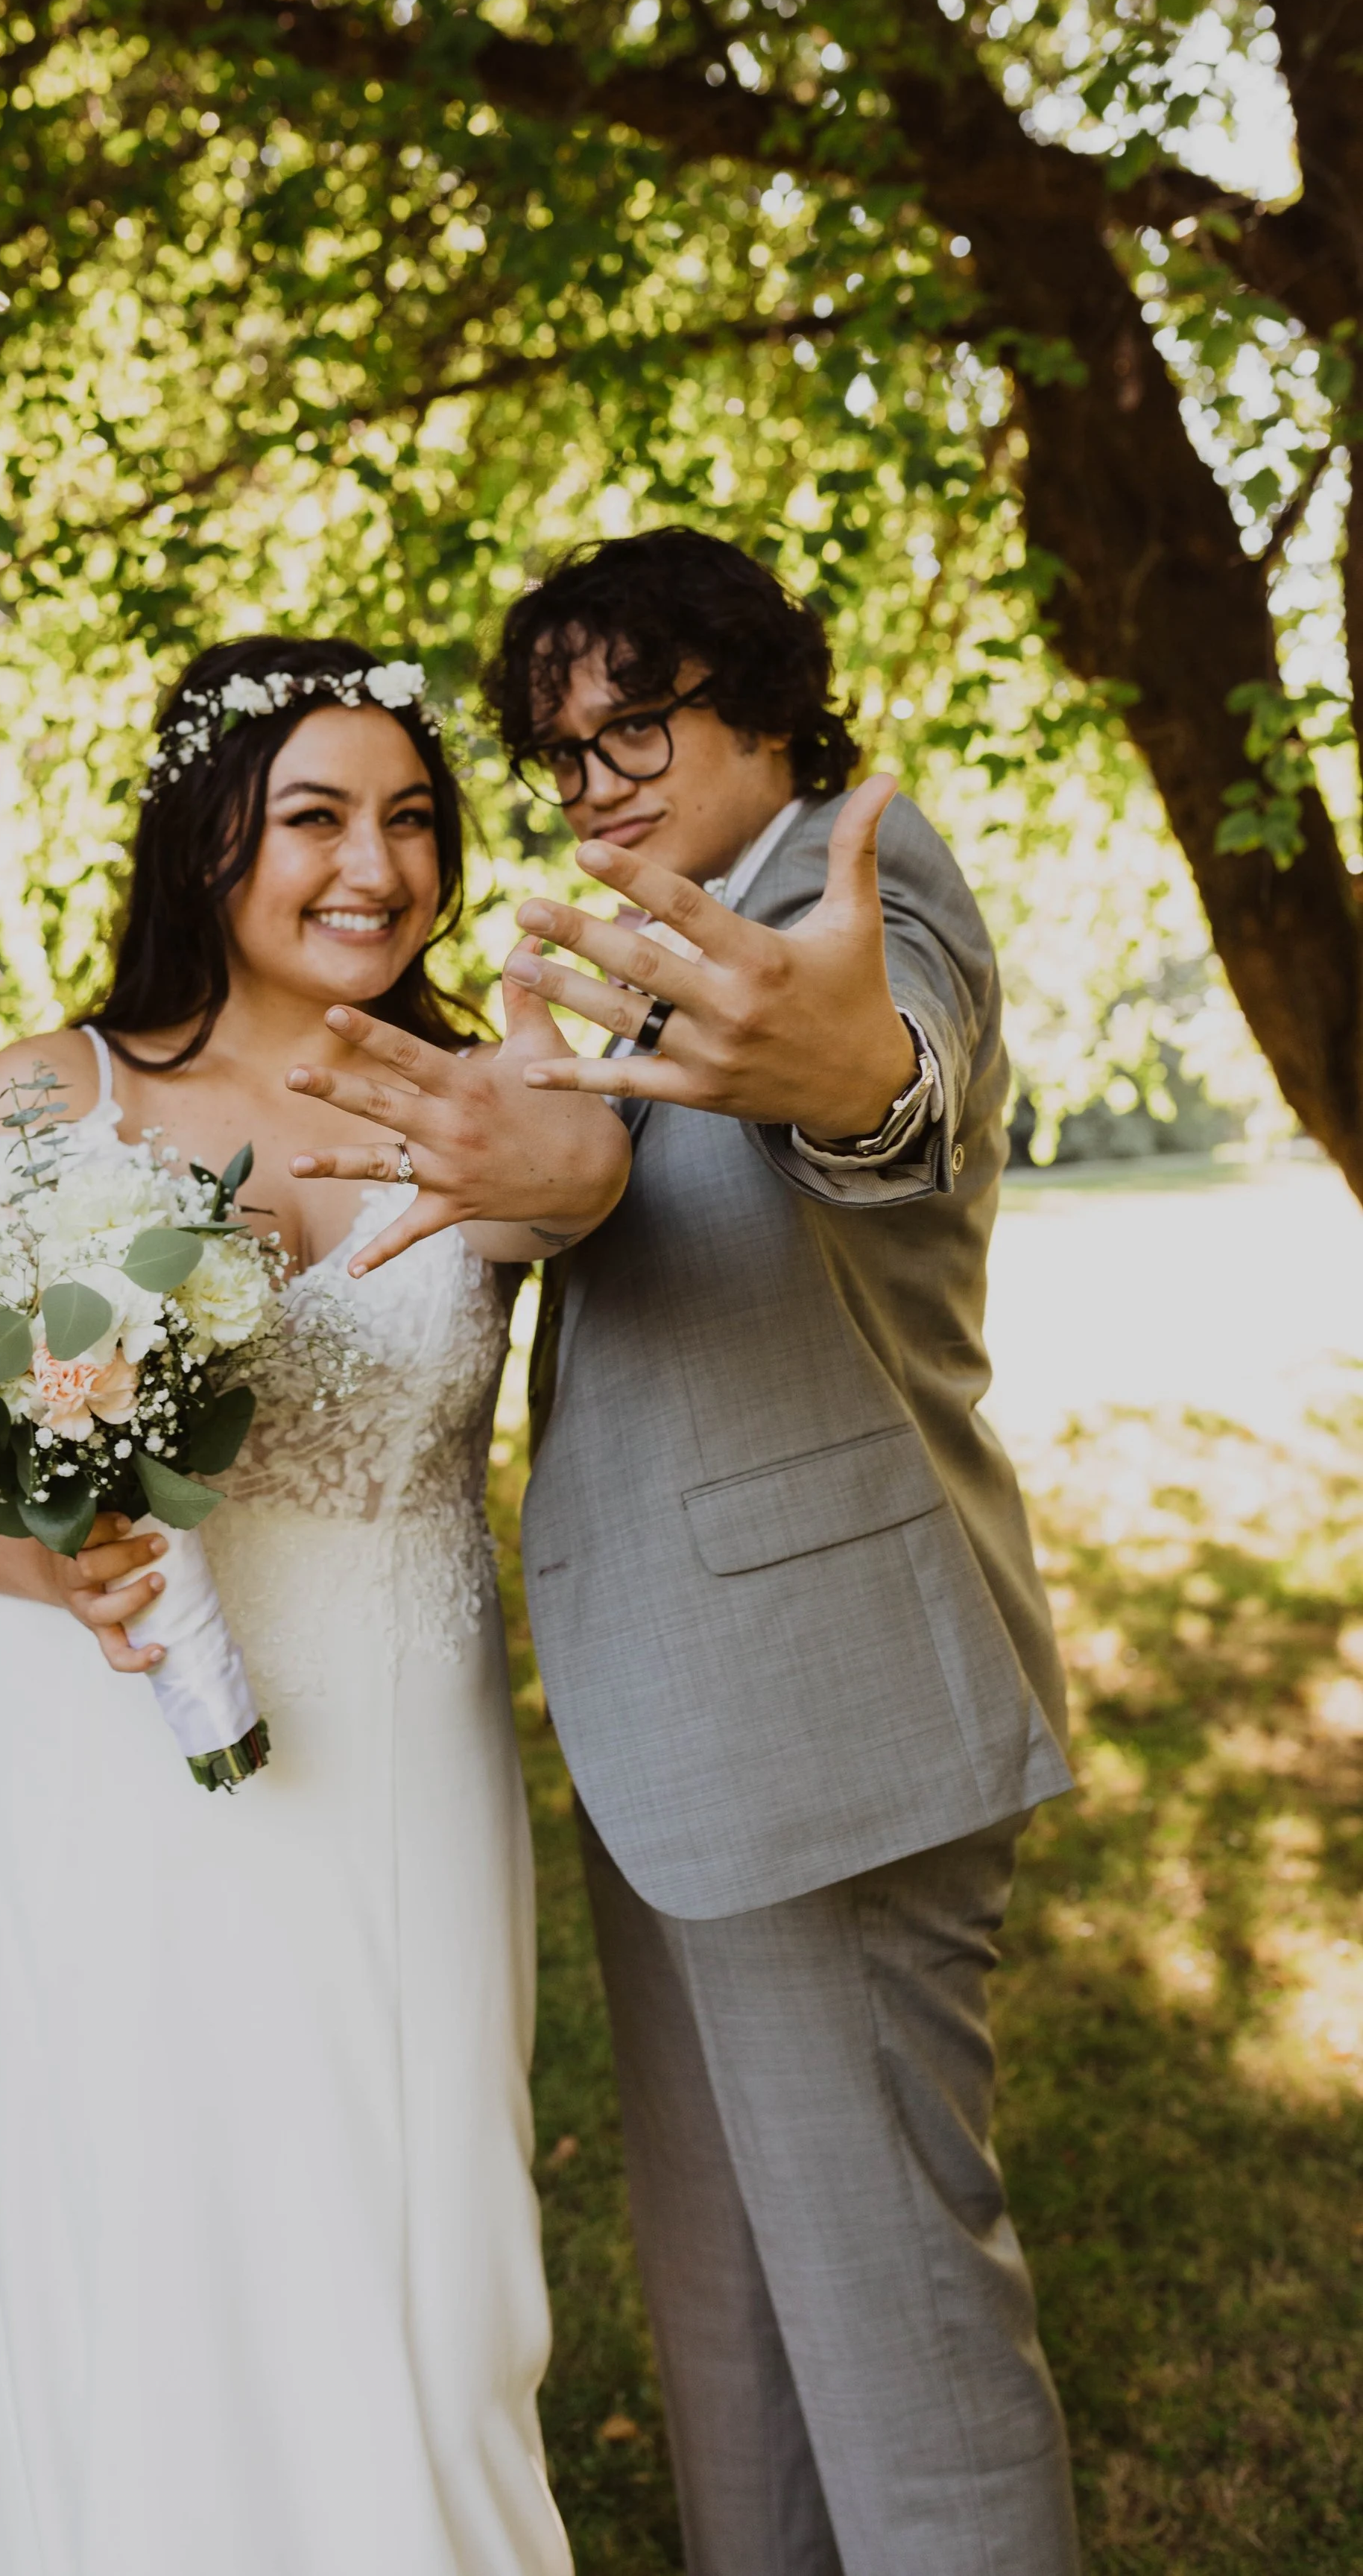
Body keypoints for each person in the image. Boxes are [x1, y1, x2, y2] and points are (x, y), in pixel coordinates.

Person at [288, 530, 1082, 2576]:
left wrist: (860, 1077)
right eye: (559, 750)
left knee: (897, 2337)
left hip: (833, 1741)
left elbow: (892, 1087)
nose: (591, 775)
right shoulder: (651, 941)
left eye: (631, 719)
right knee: (728, 2316)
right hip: (682, 1748)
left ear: (758, 697)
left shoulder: (847, 884)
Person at [0, 637, 624, 2576]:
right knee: (139, 2207)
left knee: (423, 2247)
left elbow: (595, 1183)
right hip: (92, 1737)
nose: (370, 863)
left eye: (409, 819)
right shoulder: (58, 1088)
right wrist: (39, 1552)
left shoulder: (484, 1090)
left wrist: (565, 1128)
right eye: (312, 816)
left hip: (394, 1740)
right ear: (208, 837)